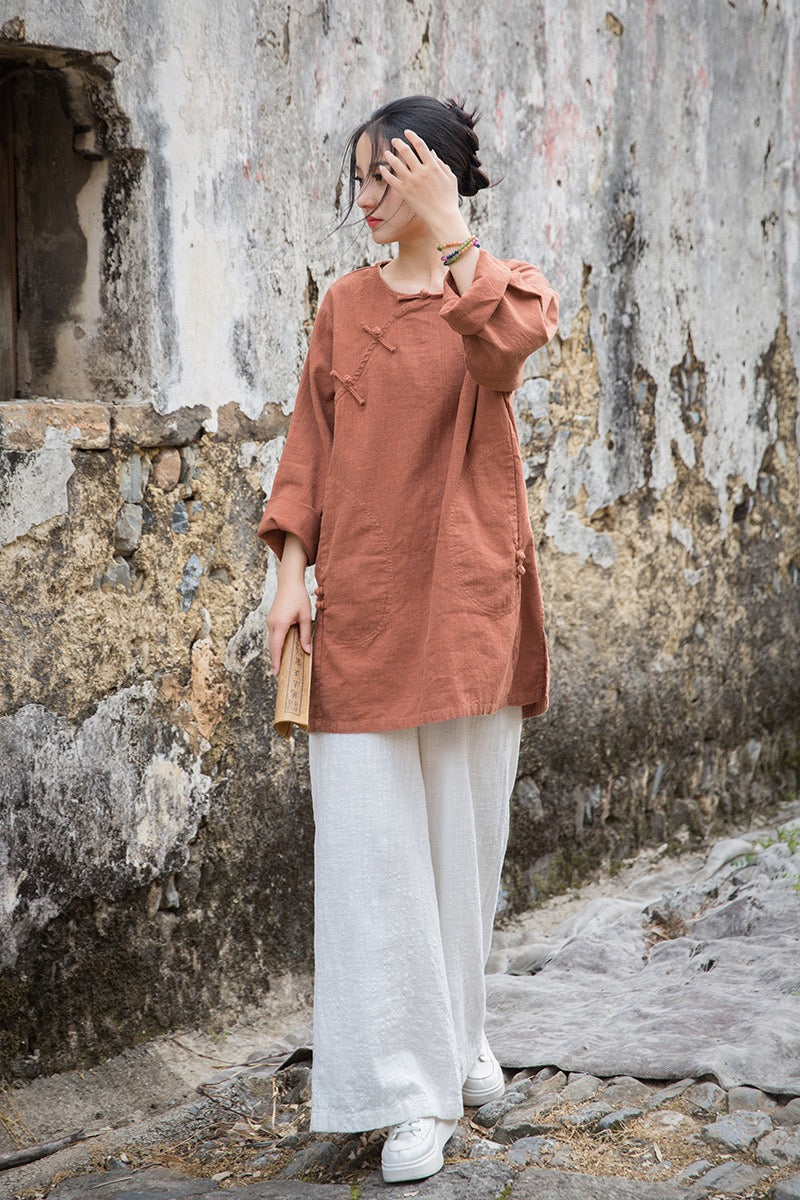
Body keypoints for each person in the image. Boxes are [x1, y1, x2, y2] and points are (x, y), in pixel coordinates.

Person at [259, 94, 559, 1184]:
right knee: (370, 854)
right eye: (359, 180)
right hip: (362, 613)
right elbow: (309, 445)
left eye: (385, 178)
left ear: (437, 178)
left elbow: (505, 349)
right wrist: (288, 575)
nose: (365, 200)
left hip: (470, 609)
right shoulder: (343, 306)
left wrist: (454, 231)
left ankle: (456, 1037)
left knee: (457, 851)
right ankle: (407, 1093)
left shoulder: (505, 289)